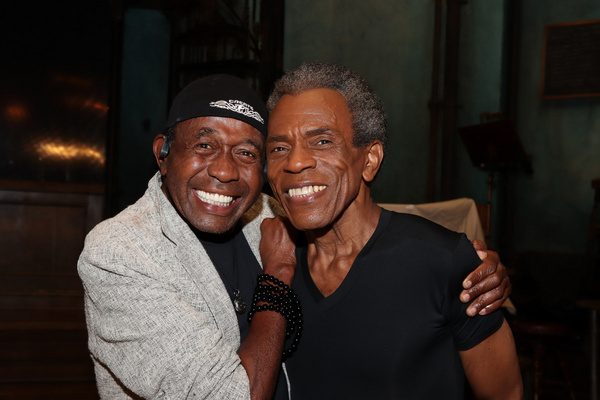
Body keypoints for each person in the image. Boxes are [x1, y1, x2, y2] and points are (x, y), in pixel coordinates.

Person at [78, 74, 511, 399]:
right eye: (204, 145)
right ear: (163, 153)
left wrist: (459, 258)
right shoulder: (121, 252)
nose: (225, 170)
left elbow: (362, 223)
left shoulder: (268, 214)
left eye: (248, 152)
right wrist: (279, 271)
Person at [264, 62, 522, 399]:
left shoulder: (442, 261)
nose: (295, 162)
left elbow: (505, 395)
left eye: (322, 141)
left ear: (369, 160)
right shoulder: (268, 260)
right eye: (278, 148)